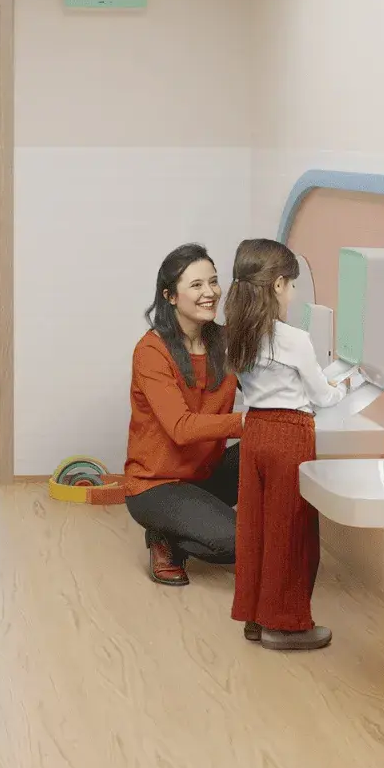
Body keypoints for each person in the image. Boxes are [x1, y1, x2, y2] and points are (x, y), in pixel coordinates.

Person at [224, 238, 344, 650]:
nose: (293, 293)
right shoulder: (294, 339)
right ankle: (287, 624)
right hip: (289, 435)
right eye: (291, 285)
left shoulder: (237, 335)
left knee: (256, 528)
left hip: (254, 432)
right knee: (290, 531)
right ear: (277, 285)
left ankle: (256, 618)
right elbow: (322, 396)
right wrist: (342, 388)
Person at [124, 243, 243, 586]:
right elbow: (180, 428)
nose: (210, 293)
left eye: (214, 282)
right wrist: (246, 423)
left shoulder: (226, 342)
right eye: (196, 285)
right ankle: (164, 534)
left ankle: (185, 523)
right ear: (171, 297)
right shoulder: (152, 351)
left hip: (204, 475)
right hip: (156, 485)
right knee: (237, 543)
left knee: (275, 445)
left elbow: (269, 376)